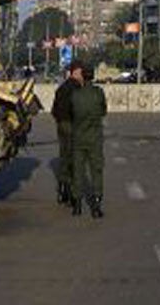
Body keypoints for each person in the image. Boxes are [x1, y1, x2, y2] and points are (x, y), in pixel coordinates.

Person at [66, 60, 108, 218]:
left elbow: (71, 114)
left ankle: (77, 205)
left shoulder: (75, 95)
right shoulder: (98, 93)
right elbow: (103, 111)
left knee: (78, 171)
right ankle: (96, 206)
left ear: (82, 76)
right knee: (96, 170)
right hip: (95, 137)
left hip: (78, 137)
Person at [51, 60, 83, 207]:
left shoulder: (61, 88)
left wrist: (60, 120)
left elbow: (54, 110)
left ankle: (63, 190)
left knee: (64, 156)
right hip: (73, 125)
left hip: (61, 124)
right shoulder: (77, 88)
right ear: (76, 72)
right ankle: (72, 193)